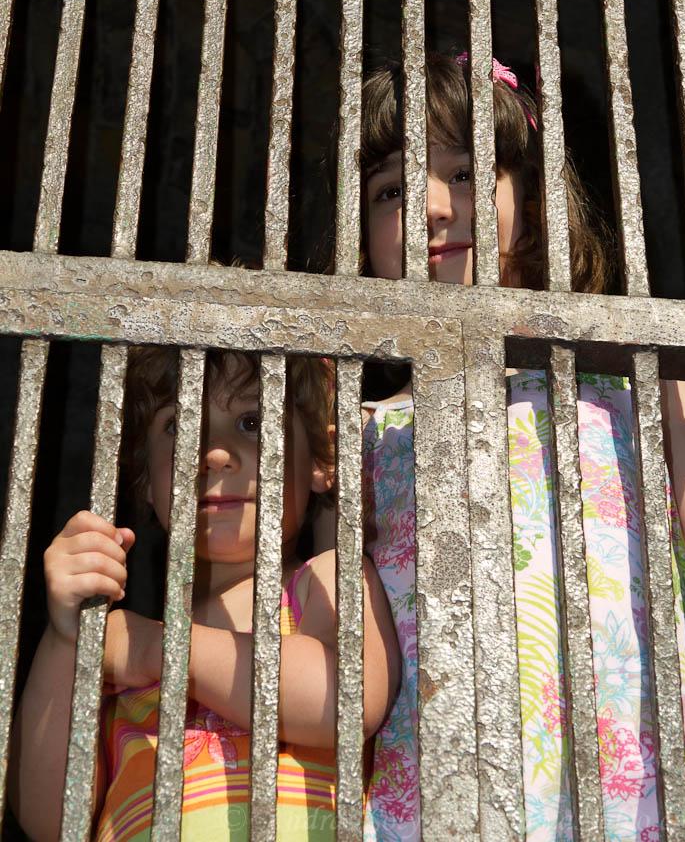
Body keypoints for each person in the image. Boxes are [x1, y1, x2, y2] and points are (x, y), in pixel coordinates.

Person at [359, 51, 685, 839]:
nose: (431, 207)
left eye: (465, 174)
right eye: (391, 190)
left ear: (528, 193)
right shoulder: (360, 430)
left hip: (642, 794)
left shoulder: (638, 383)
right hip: (444, 798)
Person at [9, 348, 400, 841]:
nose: (213, 452)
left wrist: (158, 649)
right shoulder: (117, 644)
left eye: (251, 422)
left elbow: (344, 702)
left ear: (324, 462)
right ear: (146, 477)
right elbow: (47, 818)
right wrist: (66, 639)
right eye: (179, 425)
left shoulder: (324, 580)